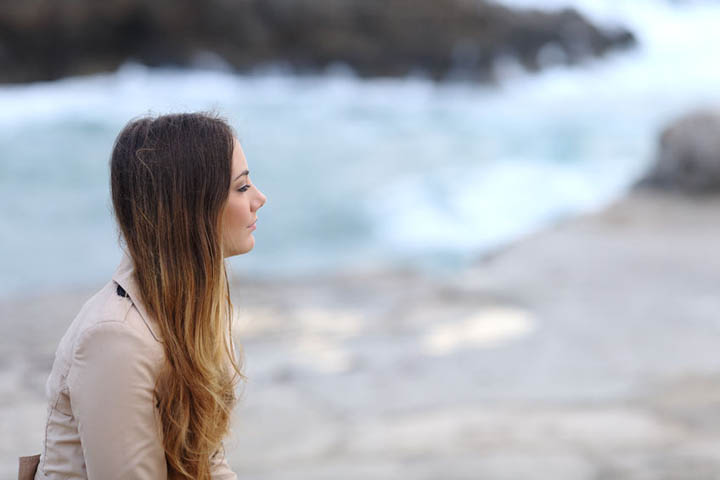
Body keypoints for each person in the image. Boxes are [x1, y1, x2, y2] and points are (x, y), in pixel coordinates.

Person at [31, 112, 267, 479]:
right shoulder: (115, 338)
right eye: (241, 187)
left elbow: (207, 461)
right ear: (191, 207)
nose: (259, 199)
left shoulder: (186, 309)